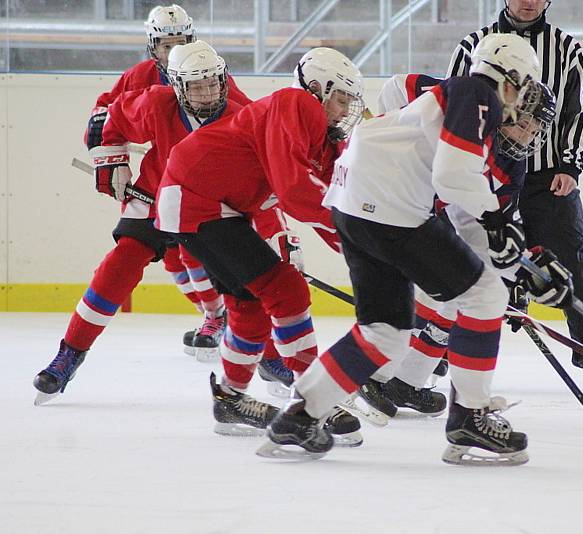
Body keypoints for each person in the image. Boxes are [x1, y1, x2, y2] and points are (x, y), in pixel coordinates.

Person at [258, 33, 569, 466]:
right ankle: (470, 417)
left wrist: (519, 265)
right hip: (391, 204)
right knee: (484, 296)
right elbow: (454, 176)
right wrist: (499, 226)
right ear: (510, 78)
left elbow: (465, 211)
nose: (522, 105)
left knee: (383, 332)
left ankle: (300, 415)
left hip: (353, 203)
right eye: (524, 88)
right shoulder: (478, 93)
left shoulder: (461, 101)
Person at [154, 47, 366, 445]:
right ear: (317, 89)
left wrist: (366, 249)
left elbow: (332, 204)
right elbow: (295, 189)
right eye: (340, 99)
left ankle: (230, 398)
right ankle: (312, 395)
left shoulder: (321, 137)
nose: (344, 110)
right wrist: (358, 237)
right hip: (194, 197)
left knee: (249, 306)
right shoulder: (296, 103)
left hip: (214, 204)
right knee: (285, 290)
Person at [32, 41, 242, 405]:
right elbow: (106, 119)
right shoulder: (155, 102)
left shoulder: (243, 114)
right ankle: (71, 352)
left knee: (245, 280)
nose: (208, 93)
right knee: (121, 264)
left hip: (208, 203)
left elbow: (271, 165)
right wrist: (111, 161)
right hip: (158, 190)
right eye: (196, 85)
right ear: (176, 86)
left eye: (213, 82)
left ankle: (268, 356)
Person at [353, 72, 557, 420]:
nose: (529, 136)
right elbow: (399, 86)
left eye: (536, 130)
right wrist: (396, 125)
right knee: (416, 297)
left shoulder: (511, 165)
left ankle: (407, 381)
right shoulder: (470, 108)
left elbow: (492, 230)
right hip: (393, 197)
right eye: (525, 125)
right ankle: (369, 373)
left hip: (437, 211)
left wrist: (514, 273)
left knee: (462, 291)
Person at [447, 0, 583, 381]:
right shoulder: (473, 44)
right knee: (459, 258)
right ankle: (440, 345)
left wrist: (571, 165)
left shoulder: (566, 48)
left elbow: (582, 109)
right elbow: (451, 102)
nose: (529, 2)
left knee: (571, 259)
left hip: (547, 178)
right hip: (485, 174)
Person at [86, 4, 253, 359]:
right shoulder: (140, 79)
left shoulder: (208, 74)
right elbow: (104, 115)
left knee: (192, 251)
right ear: (152, 47)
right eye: (166, 44)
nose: (175, 49)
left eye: (182, 41)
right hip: (156, 183)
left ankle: (216, 317)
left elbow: (247, 122)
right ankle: (214, 314)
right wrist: (112, 163)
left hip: (201, 191)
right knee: (171, 260)